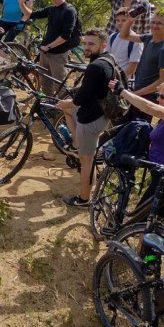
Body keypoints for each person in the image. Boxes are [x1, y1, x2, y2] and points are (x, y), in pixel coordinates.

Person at [56, 29, 114, 207]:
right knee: (68, 111)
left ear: (102, 45)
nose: (86, 47)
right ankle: (77, 142)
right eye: (85, 43)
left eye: (91, 44)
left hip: (91, 119)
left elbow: (81, 98)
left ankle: (84, 199)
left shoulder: (96, 66)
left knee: (86, 162)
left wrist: (69, 102)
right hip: (102, 114)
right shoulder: (108, 60)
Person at [19, 0, 81, 95]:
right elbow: (31, 14)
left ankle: (61, 111)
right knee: (45, 82)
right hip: (45, 52)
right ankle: (48, 107)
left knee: (59, 84)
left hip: (58, 53)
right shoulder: (51, 9)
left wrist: (48, 46)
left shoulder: (69, 10)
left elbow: (65, 36)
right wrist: (21, 3)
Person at [110, 81, 164, 174]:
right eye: (157, 95)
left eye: (162, 96)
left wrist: (122, 91)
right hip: (155, 167)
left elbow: (149, 107)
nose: (158, 99)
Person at [118, 11, 164, 122]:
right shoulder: (149, 38)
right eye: (153, 22)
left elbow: (163, 80)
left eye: (159, 23)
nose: (154, 25)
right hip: (137, 91)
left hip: (147, 98)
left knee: (137, 132)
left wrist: (136, 94)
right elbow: (124, 35)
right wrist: (130, 20)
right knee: (123, 126)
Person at [108, 7, 143, 78]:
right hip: (110, 76)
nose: (120, 23)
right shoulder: (112, 37)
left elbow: (132, 69)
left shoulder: (136, 40)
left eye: (124, 20)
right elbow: (107, 58)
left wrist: (117, 78)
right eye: (118, 20)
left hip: (126, 80)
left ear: (131, 22)